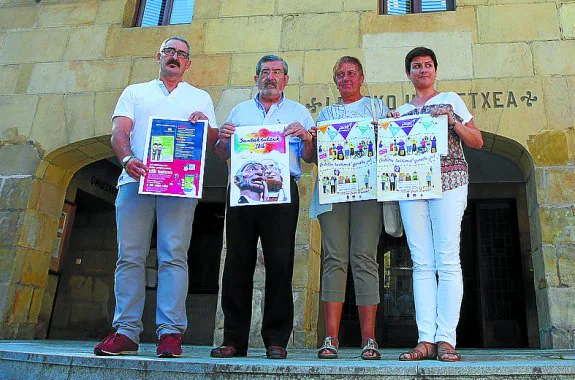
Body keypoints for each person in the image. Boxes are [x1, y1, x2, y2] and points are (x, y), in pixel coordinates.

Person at [93, 36, 218, 358]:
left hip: (178, 186)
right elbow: (120, 132)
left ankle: (171, 333)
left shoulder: (200, 97)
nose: (175, 58)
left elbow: (212, 143)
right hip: (134, 181)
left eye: (182, 54)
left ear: (188, 63)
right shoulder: (136, 92)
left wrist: (205, 127)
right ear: (159, 56)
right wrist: (126, 159)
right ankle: (126, 331)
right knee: (129, 256)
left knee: (173, 256)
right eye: (170, 52)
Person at [211, 55, 315, 360]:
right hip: (243, 192)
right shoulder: (239, 111)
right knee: (236, 264)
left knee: (281, 264)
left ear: (286, 79)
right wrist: (224, 140)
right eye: (265, 72)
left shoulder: (299, 112)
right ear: (256, 77)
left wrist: (307, 137)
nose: (271, 77)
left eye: (277, 72)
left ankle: (276, 340)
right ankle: (233, 340)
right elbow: (221, 154)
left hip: (282, 195)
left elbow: (310, 157)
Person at [389, 47, 483, 362]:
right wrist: (387, 128)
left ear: (435, 71)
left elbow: (476, 140)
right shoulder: (401, 110)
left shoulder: (451, 100)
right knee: (421, 262)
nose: (423, 70)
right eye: (416, 66)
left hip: (450, 182)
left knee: (447, 259)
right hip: (412, 187)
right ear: (408, 74)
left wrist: (453, 120)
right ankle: (425, 339)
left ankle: (446, 339)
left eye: (428, 65)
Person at [309, 56, 390, 360]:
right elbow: (315, 156)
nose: (345, 79)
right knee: (334, 259)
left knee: (365, 258)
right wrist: (313, 140)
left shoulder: (377, 108)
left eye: (351, 73)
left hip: (368, 191)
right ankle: (331, 338)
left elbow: (391, 144)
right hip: (333, 191)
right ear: (335, 81)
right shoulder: (326, 113)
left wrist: (385, 129)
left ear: (361, 77)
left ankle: (369, 339)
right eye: (340, 74)